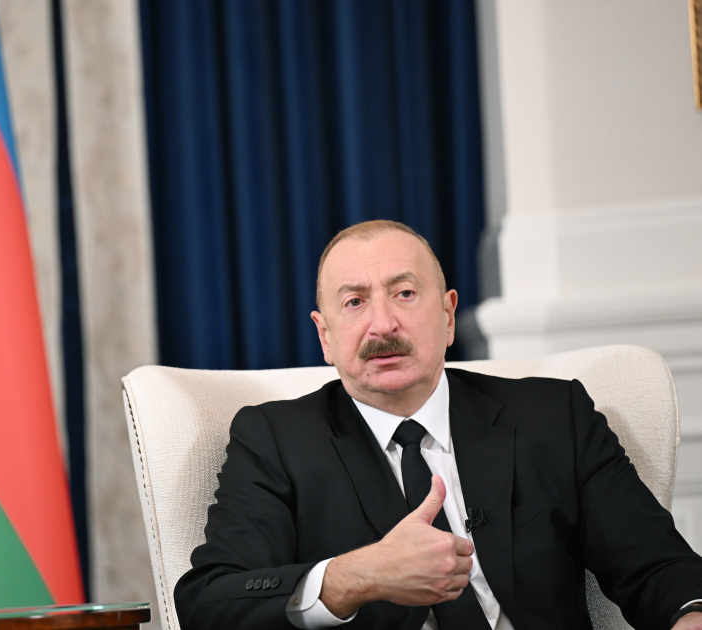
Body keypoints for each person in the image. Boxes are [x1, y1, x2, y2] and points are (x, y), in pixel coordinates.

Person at [174, 220, 702, 630]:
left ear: (448, 315)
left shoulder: (552, 415)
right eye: (354, 302)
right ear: (325, 336)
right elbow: (209, 604)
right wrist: (358, 576)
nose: (383, 324)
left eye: (404, 293)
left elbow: (659, 568)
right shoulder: (274, 440)